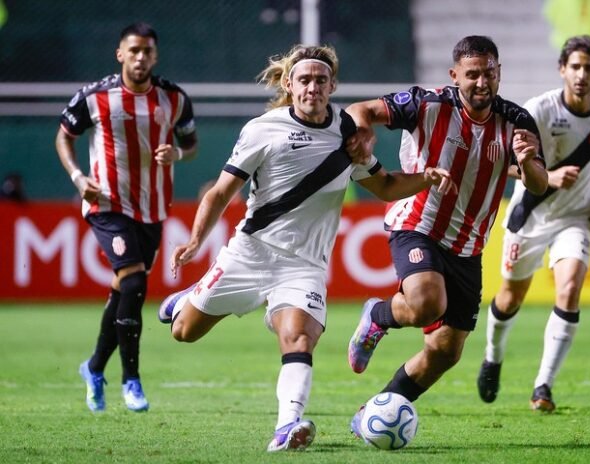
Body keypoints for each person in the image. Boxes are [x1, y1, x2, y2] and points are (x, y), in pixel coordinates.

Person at [156, 44, 456, 452]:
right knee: (184, 332)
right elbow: (221, 192)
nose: (312, 87)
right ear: (288, 84)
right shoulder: (263, 129)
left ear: (332, 86)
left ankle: (287, 426)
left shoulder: (347, 133)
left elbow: (385, 186)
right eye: (304, 80)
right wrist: (195, 241)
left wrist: (426, 178)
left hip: (304, 266)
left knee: (299, 339)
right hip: (251, 253)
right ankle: (188, 299)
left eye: (320, 80)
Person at [344, 35, 548, 435]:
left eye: (489, 73)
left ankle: (371, 412)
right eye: (472, 74)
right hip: (417, 223)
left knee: (445, 351)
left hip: (468, 246)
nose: (482, 82)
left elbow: (539, 184)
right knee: (426, 303)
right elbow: (359, 110)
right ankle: (378, 315)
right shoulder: (426, 103)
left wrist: (527, 162)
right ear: (455, 75)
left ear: (499, 73)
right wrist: (364, 132)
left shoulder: (518, 120)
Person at [477, 35, 590, 412]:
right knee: (510, 298)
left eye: (589, 68)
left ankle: (543, 386)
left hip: (575, 217)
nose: (581, 74)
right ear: (562, 69)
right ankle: (493, 357)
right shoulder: (538, 110)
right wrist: (548, 176)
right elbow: (501, 160)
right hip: (530, 214)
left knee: (569, 290)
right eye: (575, 67)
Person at [55, 22, 198, 413]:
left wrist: (178, 154)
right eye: (133, 50)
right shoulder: (95, 97)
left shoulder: (174, 98)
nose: (140, 58)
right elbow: (64, 135)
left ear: (155, 56)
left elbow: (191, 144)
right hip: (107, 203)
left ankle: (93, 367)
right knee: (134, 281)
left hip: (153, 208)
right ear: (120, 54)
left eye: (147, 51)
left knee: (124, 290)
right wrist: (78, 177)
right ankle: (130, 379)